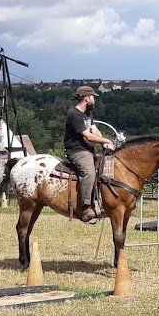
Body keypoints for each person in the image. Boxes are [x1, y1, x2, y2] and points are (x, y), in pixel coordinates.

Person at [64, 85, 114, 222]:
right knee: (89, 172)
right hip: (77, 151)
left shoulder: (87, 114)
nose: (94, 100)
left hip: (89, 150)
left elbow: (94, 130)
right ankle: (85, 207)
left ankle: (101, 201)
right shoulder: (74, 114)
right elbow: (87, 136)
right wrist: (105, 140)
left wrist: (104, 142)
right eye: (93, 97)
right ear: (86, 98)